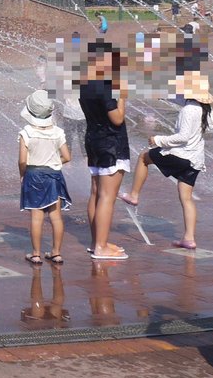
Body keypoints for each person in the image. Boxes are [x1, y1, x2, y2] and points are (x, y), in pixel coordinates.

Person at [121, 70, 213, 250]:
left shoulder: (189, 110)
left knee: (144, 157)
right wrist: (161, 94)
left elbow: (183, 137)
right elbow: (206, 123)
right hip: (195, 160)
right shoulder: (205, 109)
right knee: (186, 198)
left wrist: (158, 140)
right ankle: (189, 238)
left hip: (182, 155)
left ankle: (134, 195)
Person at [79, 41, 130, 261]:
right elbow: (117, 118)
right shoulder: (104, 84)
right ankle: (101, 247)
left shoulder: (84, 83)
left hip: (93, 141)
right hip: (111, 144)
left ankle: (96, 242)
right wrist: (123, 95)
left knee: (96, 194)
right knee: (108, 196)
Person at [18, 90, 72, 265]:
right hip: (54, 176)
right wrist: (53, 162)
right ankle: (56, 253)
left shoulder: (26, 132)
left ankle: (36, 254)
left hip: (34, 175)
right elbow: (67, 157)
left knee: (37, 217)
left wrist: (22, 174)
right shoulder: (58, 132)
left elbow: (22, 160)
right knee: (56, 217)